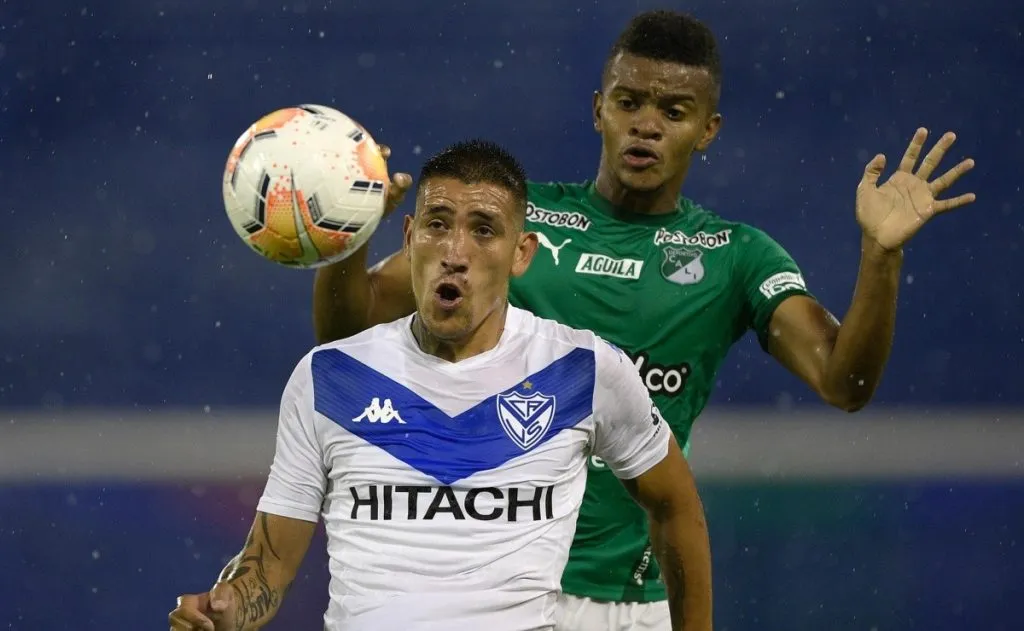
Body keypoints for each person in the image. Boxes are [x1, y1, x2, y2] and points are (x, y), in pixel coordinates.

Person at [312, 12, 976, 630]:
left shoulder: (737, 258)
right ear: (599, 110)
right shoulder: (510, 222)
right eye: (629, 102)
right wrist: (346, 239)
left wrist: (880, 257)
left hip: (630, 607)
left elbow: (844, 381)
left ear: (707, 129)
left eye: (673, 110)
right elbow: (348, 330)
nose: (647, 124)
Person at [169, 140, 712, 631]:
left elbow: (675, 506)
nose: (455, 251)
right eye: (437, 223)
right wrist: (227, 611)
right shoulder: (329, 377)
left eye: (483, 229)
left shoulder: (583, 370)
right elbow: (270, 566)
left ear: (522, 254)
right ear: (409, 240)